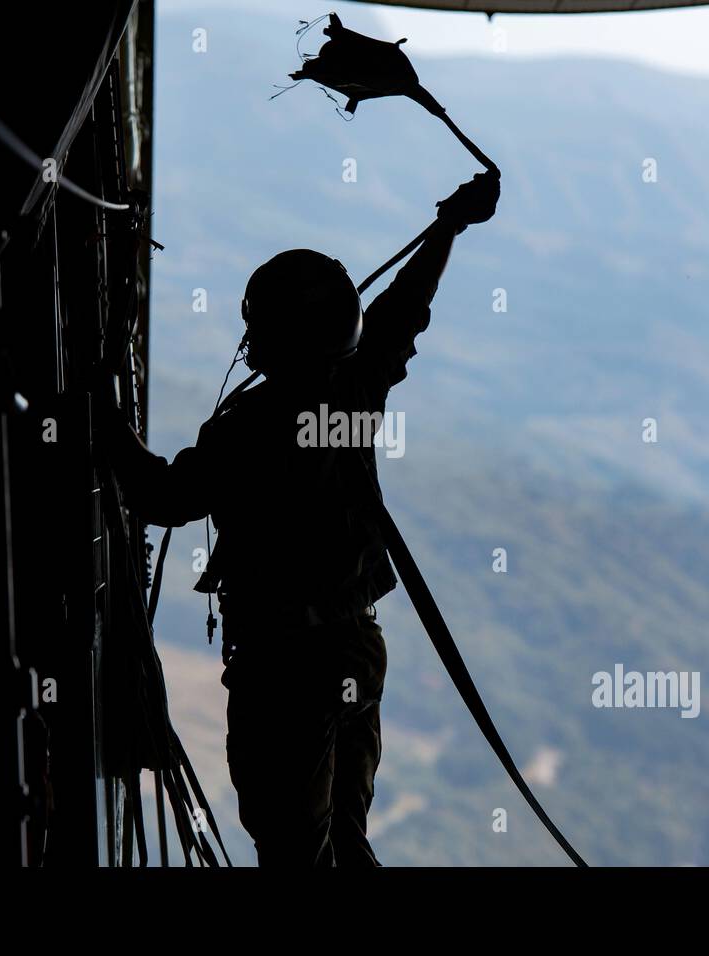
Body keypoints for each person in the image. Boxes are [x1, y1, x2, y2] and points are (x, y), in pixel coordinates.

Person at [103, 171, 500, 866]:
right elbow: (405, 310)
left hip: (285, 670)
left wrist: (106, 430)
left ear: (271, 336)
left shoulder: (250, 428)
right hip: (354, 652)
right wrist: (447, 228)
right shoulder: (356, 388)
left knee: (293, 850)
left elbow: (164, 499)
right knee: (345, 842)